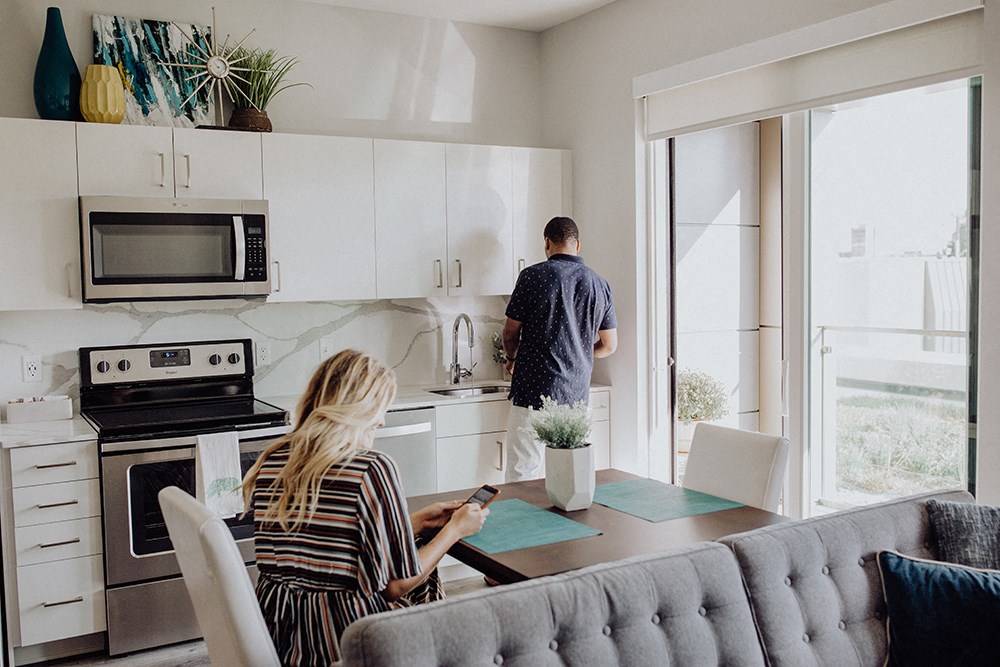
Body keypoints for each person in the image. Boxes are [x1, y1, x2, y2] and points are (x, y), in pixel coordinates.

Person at [241, 350, 489, 665]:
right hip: (347, 640)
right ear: (356, 409)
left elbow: (323, 543)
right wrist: (455, 530)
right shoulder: (370, 468)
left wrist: (410, 524)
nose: (382, 420)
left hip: (283, 639)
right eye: (378, 408)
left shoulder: (272, 460)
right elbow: (395, 587)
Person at [502, 216, 618, 482]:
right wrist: (578, 352)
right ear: (578, 244)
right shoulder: (599, 284)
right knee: (572, 475)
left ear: (547, 243)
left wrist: (512, 358)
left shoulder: (532, 276)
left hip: (533, 392)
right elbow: (609, 345)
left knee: (523, 473)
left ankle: (524, 511)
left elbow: (510, 332)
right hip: (575, 395)